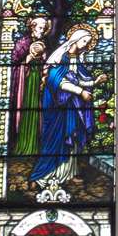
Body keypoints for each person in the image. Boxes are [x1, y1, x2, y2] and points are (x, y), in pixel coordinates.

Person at [30, 26, 107, 189]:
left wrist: (94, 82)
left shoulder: (76, 60)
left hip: (73, 107)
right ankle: (43, 177)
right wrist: (81, 92)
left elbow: (78, 80)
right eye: (85, 41)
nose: (86, 45)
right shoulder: (61, 58)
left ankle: (69, 174)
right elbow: (57, 80)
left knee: (73, 140)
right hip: (59, 108)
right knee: (56, 141)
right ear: (76, 39)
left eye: (89, 43)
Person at [8, 15, 50, 156]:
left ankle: (39, 147)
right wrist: (27, 60)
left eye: (45, 28)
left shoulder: (46, 43)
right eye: (40, 28)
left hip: (39, 82)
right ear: (33, 27)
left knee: (39, 112)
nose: (42, 31)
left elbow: (49, 62)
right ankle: (23, 146)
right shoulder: (22, 42)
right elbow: (14, 64)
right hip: (25, 84)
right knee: (26, 111)